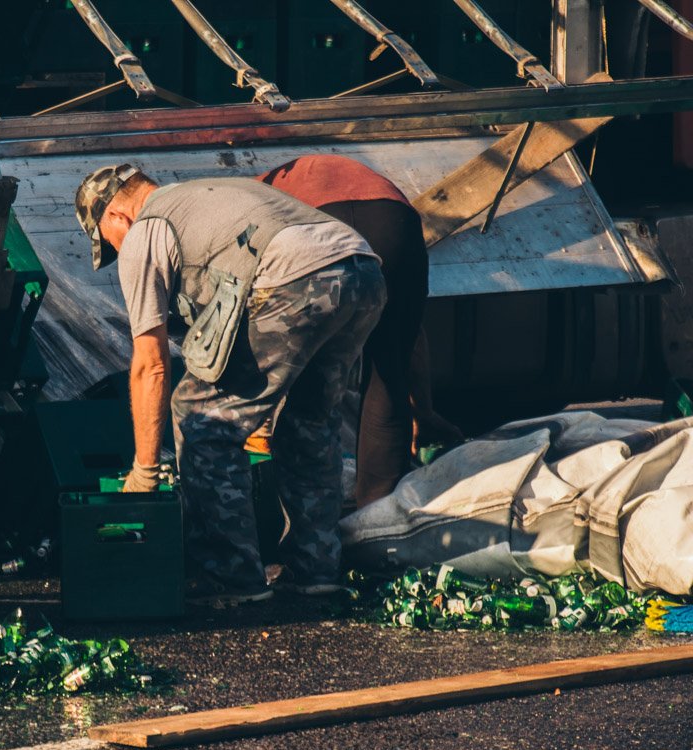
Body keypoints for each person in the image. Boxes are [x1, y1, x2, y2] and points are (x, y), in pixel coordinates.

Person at [74, 164, 386, 604]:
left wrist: (144, 472)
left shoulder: (145, 232)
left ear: (117, 218)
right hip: (363, 272)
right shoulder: (207, 193)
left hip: (298, 277)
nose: (117, 253)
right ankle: (317, 574)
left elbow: (151, 364)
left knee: (201, 418)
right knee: (309, 422)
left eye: (110, 244)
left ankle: (232, 581)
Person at [258, 155, 462, 507]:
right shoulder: (352, 177)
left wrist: (258, 421)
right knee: (388, 371)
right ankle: (376, 520)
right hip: (393, 220)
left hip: (317, 230)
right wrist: (422, 410)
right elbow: (409, 338)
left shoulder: (255, 198)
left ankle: (305, 519)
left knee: (307, 378)